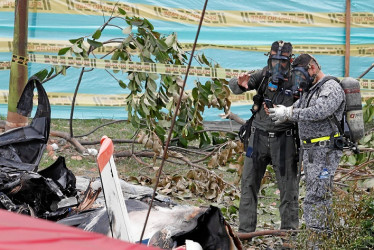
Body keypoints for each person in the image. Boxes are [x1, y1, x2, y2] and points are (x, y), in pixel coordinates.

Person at [269, 54, 346, 235]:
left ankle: (318, 237)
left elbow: (320, 111)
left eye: (301, 76)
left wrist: (289, 113)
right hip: (311, 151)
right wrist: (280, 111)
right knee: (314, 193)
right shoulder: (311, 90)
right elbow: (298, 109)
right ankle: (321, 234)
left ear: (312, 68)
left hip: (325, 150)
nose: (299, 81)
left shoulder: (331, 87)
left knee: (317, 195)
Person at [229, 41, 299, 234]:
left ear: (290, 60)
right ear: (269, 58)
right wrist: (239, 83)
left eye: (282, 61)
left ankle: (289, 234)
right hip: (257, 138)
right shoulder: (263, 74)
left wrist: (291, 110)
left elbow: (310, 104)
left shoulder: (297, 79)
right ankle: (245, 232)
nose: (277, 65)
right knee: (248, 183)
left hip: (284, 140)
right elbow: (236, 86)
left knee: (288, 188)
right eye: (274, 60)